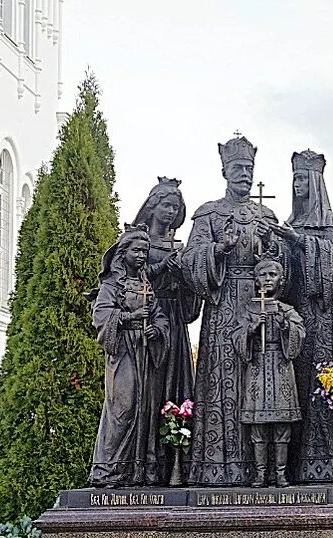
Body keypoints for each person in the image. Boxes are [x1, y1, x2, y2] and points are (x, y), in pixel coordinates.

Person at [177, 135, 288, 485]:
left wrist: (274, 251)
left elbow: (285, 268)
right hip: (224, 302)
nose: (244, 174)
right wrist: (218, 250)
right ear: (224, 170)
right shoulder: (209, 213)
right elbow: (190, 260)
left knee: (263, 378)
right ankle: (222, 466)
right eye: (238, 167)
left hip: (262, 303)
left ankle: (269, 470)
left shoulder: (266, 214)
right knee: (224, 380)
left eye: (249, 168)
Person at [270, 150, 333, 483]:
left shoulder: (331, 223)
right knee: (297, 388)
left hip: (325, 317)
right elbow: (283, 275)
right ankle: (288, 466)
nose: (297, 185)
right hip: (297, 318)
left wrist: (301, 242)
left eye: (302, 178)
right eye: (294, 179)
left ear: (316, 183)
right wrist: (277, 249)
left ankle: (329, 465)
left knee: (324, 385)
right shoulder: (291, 223)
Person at [89, 226, 169, 486]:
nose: (142, 255)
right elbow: (101, 316)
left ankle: (138, 471)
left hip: (145, 351)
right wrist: (130, 318)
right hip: (123, 351)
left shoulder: (146, 286)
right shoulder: (112, 285)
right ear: (123, 253)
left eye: (145, 251)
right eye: (136, 250)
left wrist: (156, 329)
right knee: (123, 406)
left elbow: (159, 316)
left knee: (145, 407)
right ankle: (108, 470)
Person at [131, 177, 199, 483]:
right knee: (150, 390)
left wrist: (185, 275)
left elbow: (191, 298)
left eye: (176, 207)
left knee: (178, 387)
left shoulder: (180, 247)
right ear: (153, 206)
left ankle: (178, 463)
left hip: (175, 323)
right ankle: (145, 462)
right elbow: (132, 278)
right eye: (166, 205)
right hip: (149, 322)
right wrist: (163, 268)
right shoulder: (138, 241)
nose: (171, 212)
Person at [232, 259, 306, 487]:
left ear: (280, 280)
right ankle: (261, 473)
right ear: (255, 280)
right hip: (257, 368)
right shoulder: (249, 309)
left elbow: (299, 333)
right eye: (263, 275)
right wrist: (252, 328)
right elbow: (237, 337)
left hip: (281, 367)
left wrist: (286, 327)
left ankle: (281, 473)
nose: (267, 279)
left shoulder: (287, 310)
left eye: (272, 275)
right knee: (258, 426)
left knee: (282, 426)